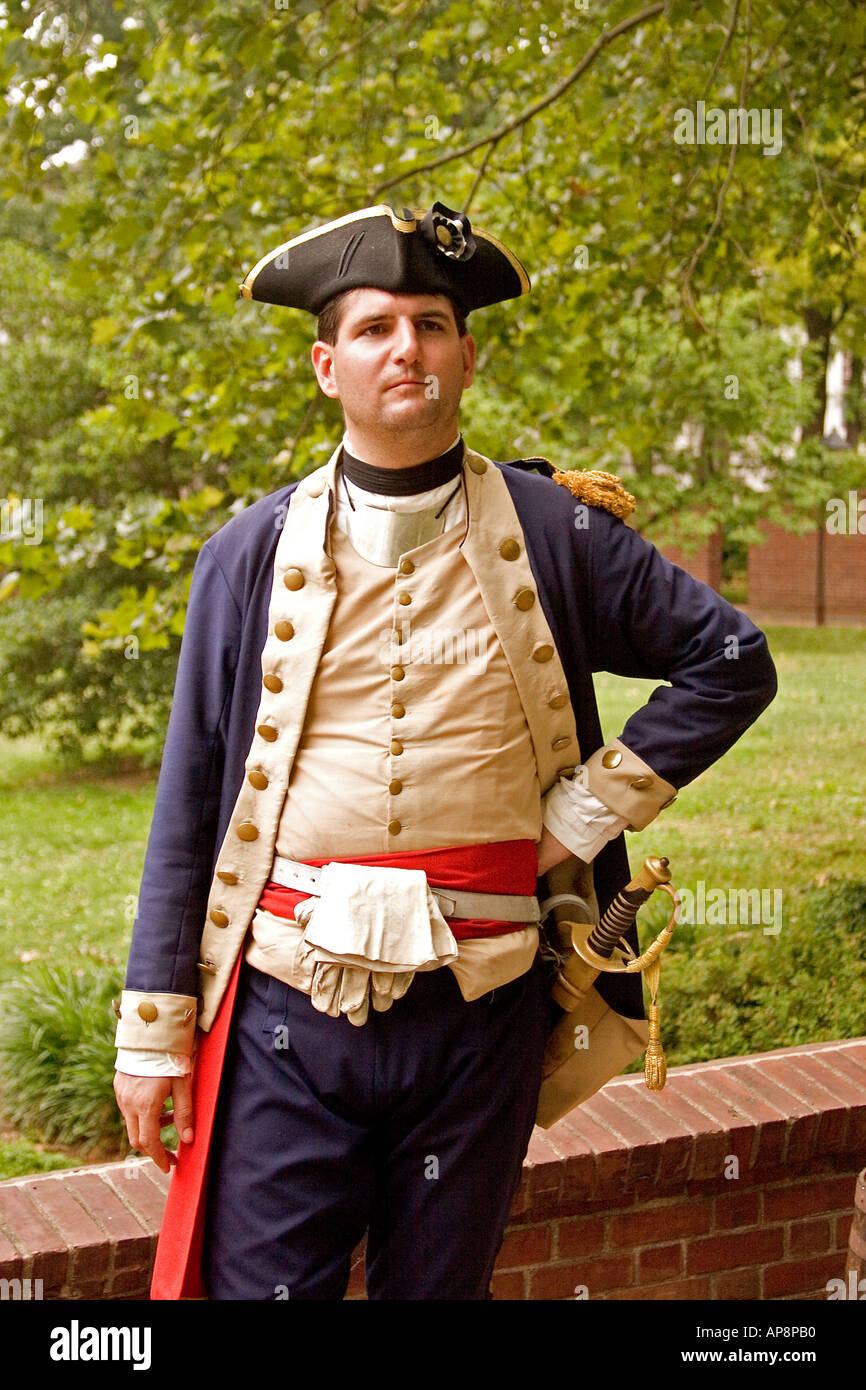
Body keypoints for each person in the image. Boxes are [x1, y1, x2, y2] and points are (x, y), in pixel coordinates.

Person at [113, 200, 777, 1300]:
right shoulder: (245, 551)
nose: (405, 348)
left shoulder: (557, 531)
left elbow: (729, 660)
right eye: (373, 328)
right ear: (328, 366)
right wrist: (152, 1034)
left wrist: (581, 814)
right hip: (284, 1012)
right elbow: (190, 797)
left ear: (465, 355)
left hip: (483, 1007)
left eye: (429, 323)